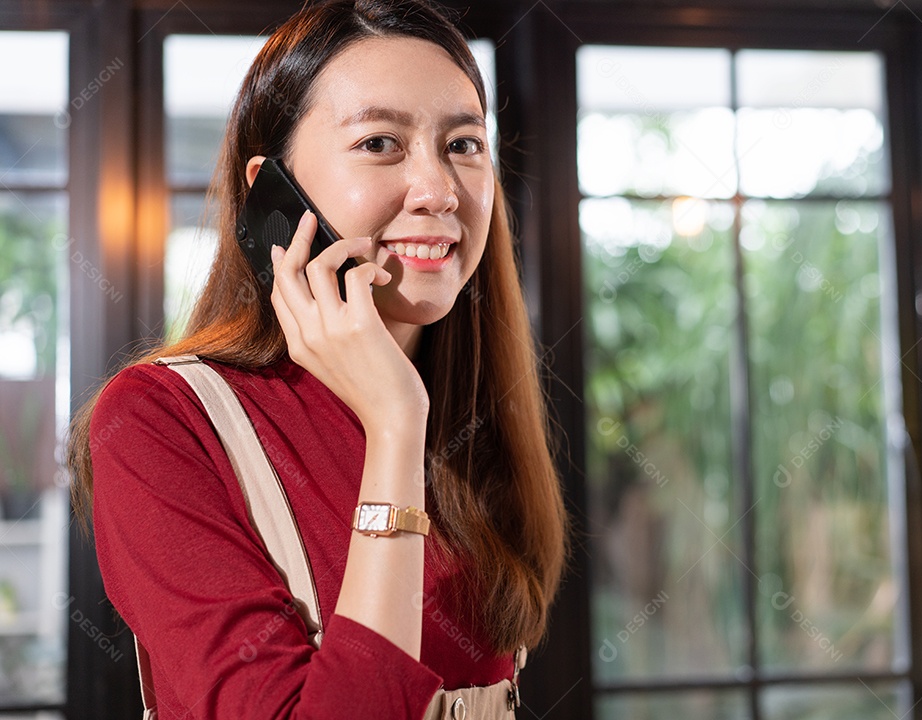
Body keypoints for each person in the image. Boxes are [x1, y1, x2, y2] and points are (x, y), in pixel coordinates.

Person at [66, 0, 568, 716]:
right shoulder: (158, 422)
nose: (437, 191)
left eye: (463, 145)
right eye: (379, 143)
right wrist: (394, 424)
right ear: (273, 191)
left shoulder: (471, 411)